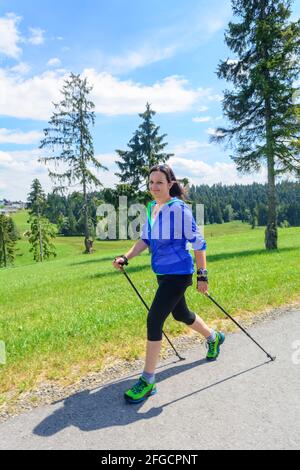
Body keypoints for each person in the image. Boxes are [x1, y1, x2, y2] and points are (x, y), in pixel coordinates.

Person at [112, 164, 225, 404]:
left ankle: (148, 381)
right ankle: (214, 337)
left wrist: (202, 275)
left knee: (154, 319)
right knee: (181, 314)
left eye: (159, 182)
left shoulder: (178, 209)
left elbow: (198, 242)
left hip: (179, 273)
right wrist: (126, 257)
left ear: (170, 184)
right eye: (151, 182)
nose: (154, 187)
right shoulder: (153, 207)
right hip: (163, 273)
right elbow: (145, 239)